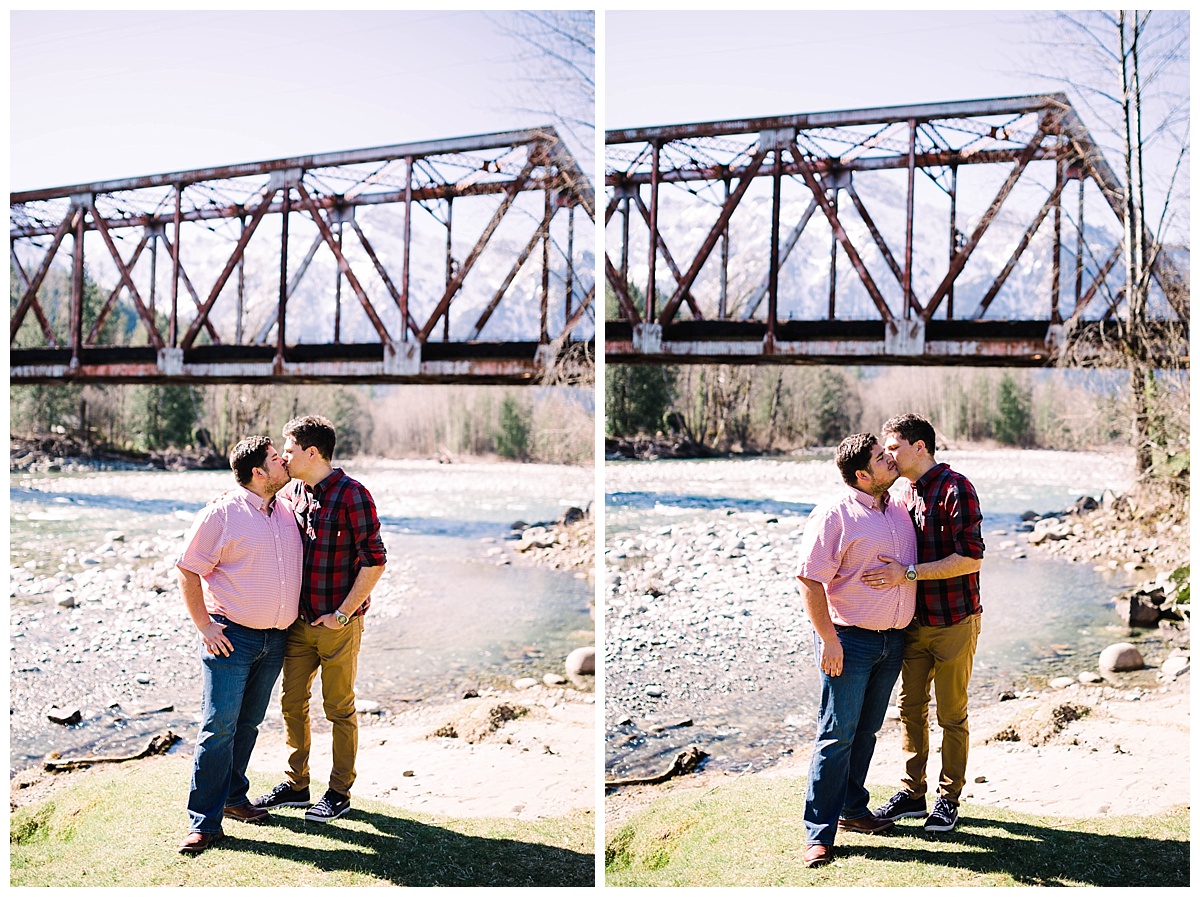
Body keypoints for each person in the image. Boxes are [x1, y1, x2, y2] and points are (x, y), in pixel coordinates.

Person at [252, 415, 387, 823]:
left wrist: (343, 614)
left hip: (338, 626)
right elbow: (250, 492)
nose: (284, 457)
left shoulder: (353, 495)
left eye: (289, 450)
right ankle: (296, 785)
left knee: (339, 709)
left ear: (312, 453)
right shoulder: (292, 491)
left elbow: (375, 561)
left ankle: (339, 792)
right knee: (292, 703)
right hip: (298, 624)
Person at [796, 433, 918, 869]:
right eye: (882, 459)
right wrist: (828, 639)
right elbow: (809, 578)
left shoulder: (899, 507)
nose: (891, 460)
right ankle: (819, 835)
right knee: (836, 735)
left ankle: (852, 808)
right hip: (849, 640)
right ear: (862, 475)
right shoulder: (835, 514)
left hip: (893, 640)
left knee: (865, 732)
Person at [176, 436, 304, 855]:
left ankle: (233, 798)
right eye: (275, 459)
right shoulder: (221, 513)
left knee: (247, 725)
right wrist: (204, 626)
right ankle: (204, 824)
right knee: (218, 729)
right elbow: (188, 568)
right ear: (258, 473)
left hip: (276, 640)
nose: (284, 461)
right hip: (232, 639)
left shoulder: (286, 508)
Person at [863, 412, 985, 834]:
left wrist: (908, 573)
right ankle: (913, 793)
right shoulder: (901, 495)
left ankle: (948, 800)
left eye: (893, 448)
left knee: (952, 713)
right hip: (912, 623)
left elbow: (971, 557)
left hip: (955, 620)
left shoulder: (957, 488)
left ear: (920, 447)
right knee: (910, 709)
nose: (889, 457)